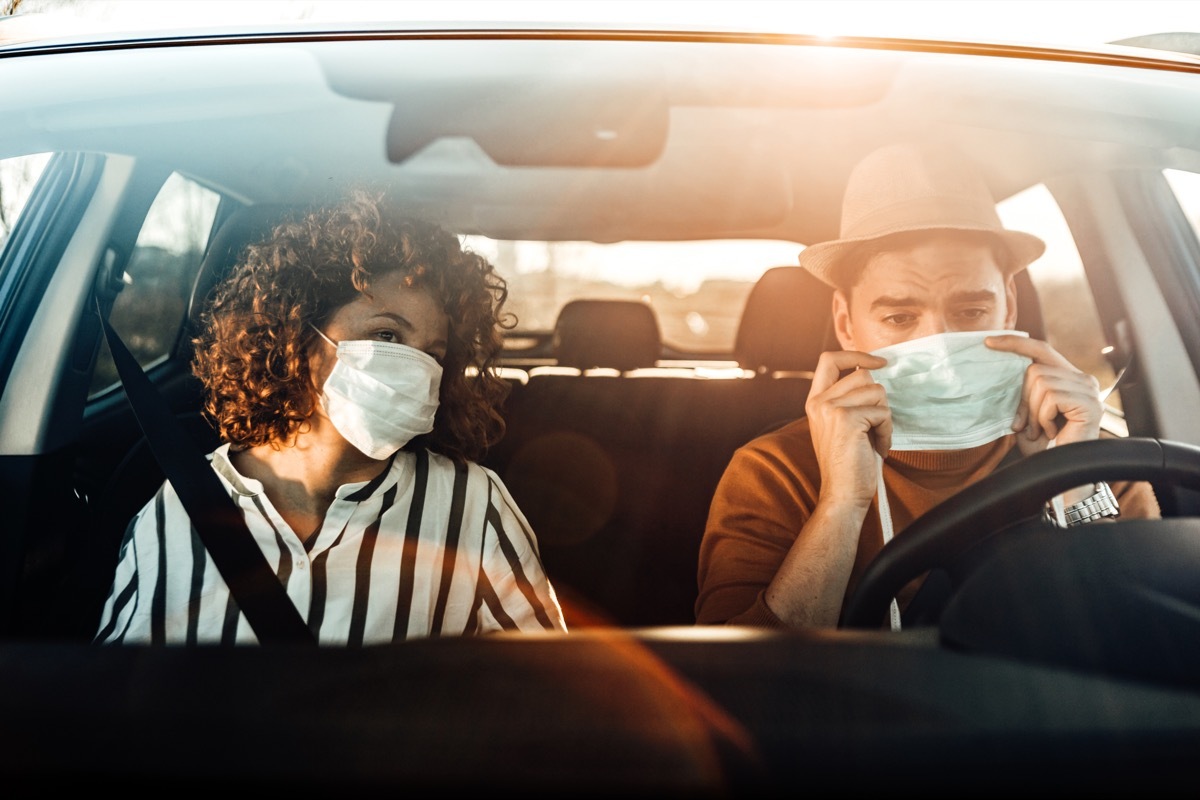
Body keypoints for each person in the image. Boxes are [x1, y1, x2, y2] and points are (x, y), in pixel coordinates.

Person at [695, 142, 1160, 630]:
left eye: (971, 312)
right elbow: (743, 685)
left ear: (1009, 306)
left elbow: (1146, 655)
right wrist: (841, 502)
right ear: (846, 323)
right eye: (899, 316)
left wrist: (1071, 479)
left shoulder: (1099, 459)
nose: (939, 342)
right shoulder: (773, 472)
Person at [96, 189, 567, 645]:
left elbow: (556, 694)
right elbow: (116, 704)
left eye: (433, 354)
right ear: (298, 335)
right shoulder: (179, 508)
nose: (415, 368)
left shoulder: (471, 506)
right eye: (386, 334)